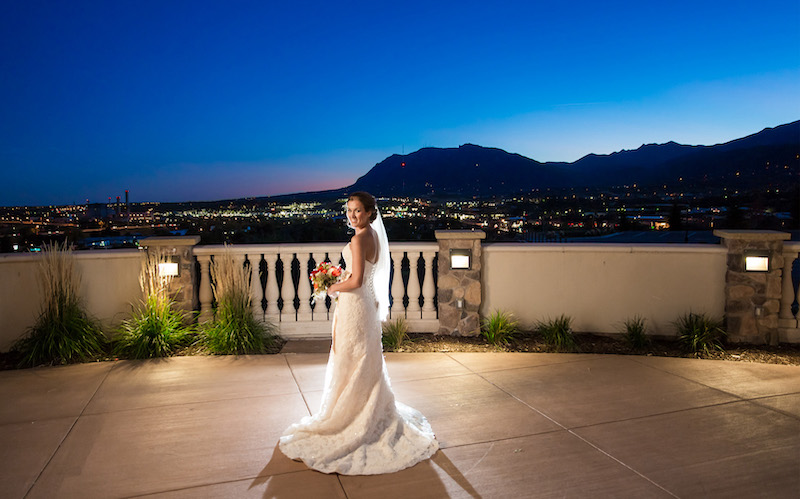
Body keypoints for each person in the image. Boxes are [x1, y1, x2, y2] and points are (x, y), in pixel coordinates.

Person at [279, 192, 438, 475]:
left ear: (369, 213)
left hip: (355, 306)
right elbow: (365, 277)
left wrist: (331, 287)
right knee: (363, 360)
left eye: (358, 211)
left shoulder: (357, 239)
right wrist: (340, 279)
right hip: (365, 305)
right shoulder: (374, 237)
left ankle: (351, 418)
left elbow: (356, 280)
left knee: (349, 359)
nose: (352, 216)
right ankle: (369, 409)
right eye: (349, 210)